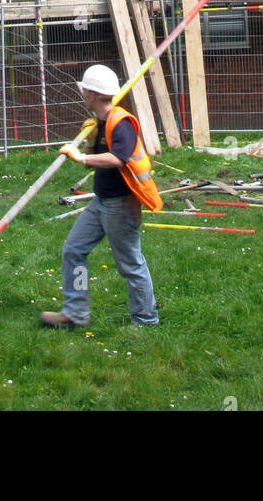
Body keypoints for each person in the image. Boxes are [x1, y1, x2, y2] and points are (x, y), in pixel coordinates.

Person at [40, 63, 161, 329]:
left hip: (121, 205)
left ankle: (146, 319)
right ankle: (76, 312)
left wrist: (84, 157)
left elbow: (119, 157)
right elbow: (105, 147)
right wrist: (90, 140)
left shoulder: (121, 124)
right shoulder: (101, 122)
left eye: (85, 92)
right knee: (74, 250)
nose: (82, 95)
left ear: (92, 95)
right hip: (101, 201)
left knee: (130, 263)